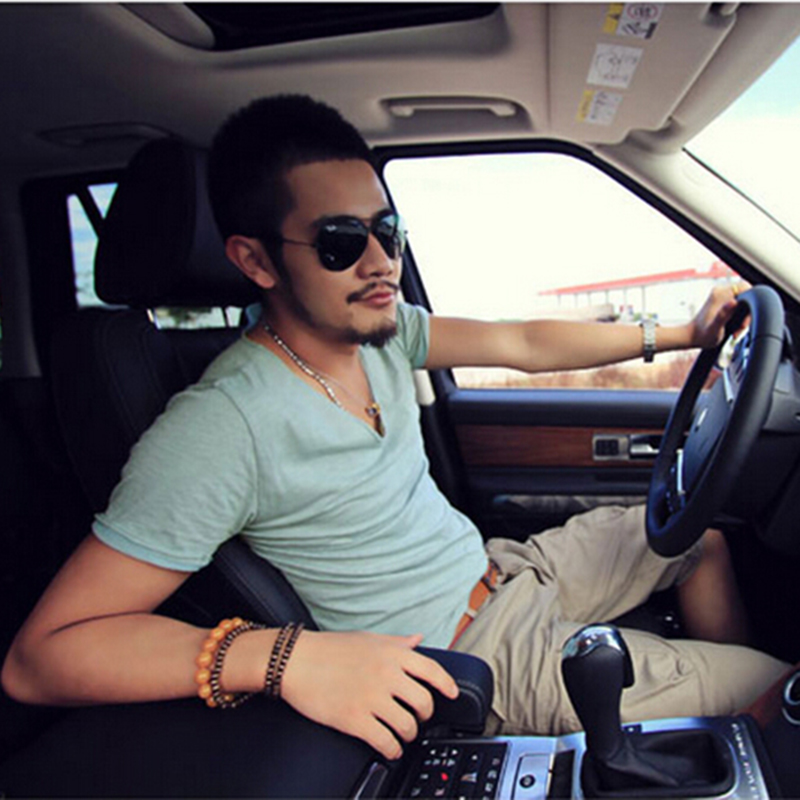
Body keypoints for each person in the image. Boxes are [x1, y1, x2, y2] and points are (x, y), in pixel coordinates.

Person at [1, 95, 789, 760]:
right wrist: (285, 659)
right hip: (474, 655)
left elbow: (521, 341)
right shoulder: (222, 426)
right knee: (778, 692)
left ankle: (709, 734)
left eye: (389, 230)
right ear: (256, 262)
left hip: (505, 570)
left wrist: (680, 335)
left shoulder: (382, 334)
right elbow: (42, 656)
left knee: (703, 544)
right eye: (341, 242)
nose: (380, 261)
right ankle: (730, 723)